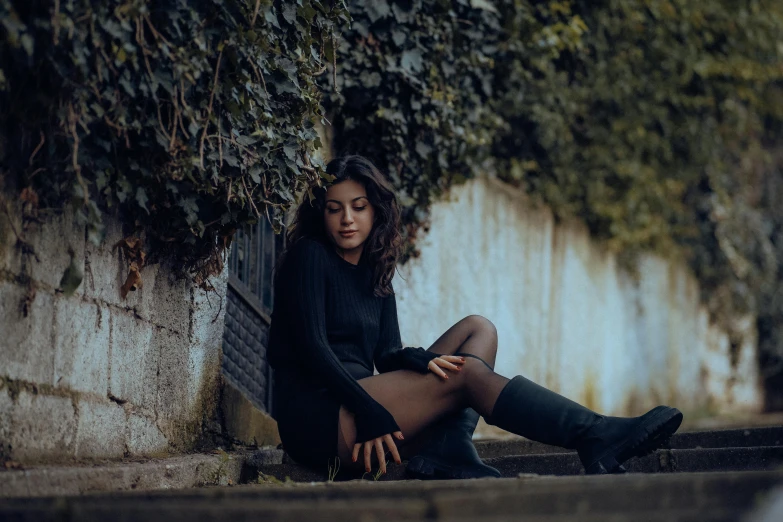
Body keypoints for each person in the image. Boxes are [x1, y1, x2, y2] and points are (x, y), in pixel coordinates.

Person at [267, 154, 683, 480]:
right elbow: (314, 350)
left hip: (364, 400)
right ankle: (593, 435)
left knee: (478, 329)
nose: (347, 220)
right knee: (467, 374)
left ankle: (449, 447)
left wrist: (417, 360)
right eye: (334, 209)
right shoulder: (310, 256)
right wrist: (371, 411)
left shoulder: (377, 273)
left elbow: (388, 353)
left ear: (375, 210)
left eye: (358, 207)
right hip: (321, 418)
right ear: (322, 214)